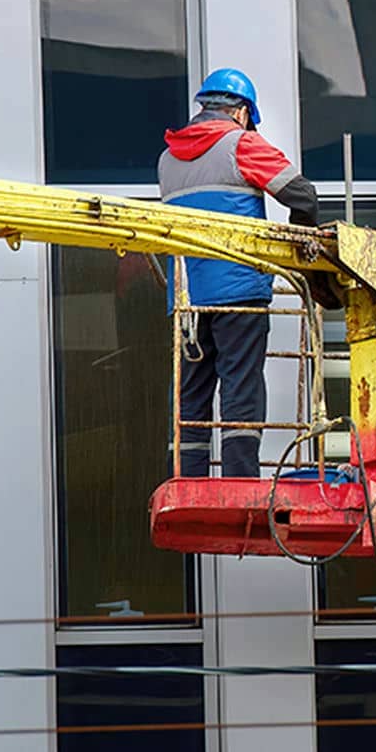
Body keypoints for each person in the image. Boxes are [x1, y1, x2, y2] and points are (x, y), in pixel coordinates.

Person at [159, 69, 320, 478]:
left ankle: (188, 478)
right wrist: (299, 245)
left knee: (192, 396)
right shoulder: (241, 144)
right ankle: (239, 480)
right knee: (240, 386)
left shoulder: (168, 159)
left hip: (188, 300)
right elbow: (301, 193)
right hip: (239, 291)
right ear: (243, 112)